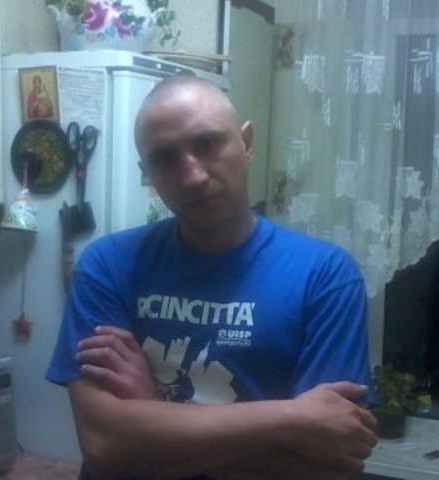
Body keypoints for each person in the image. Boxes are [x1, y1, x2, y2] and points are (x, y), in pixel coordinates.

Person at [46, 75, 377, 480]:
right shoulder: (108, 264)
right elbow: (104, 444)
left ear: (247, 143)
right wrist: (292, 419)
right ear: (147, 173)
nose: (193, 176)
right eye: (165, 159)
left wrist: (152, 411)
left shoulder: (326, 276)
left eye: (207, 144)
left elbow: (325, 468)